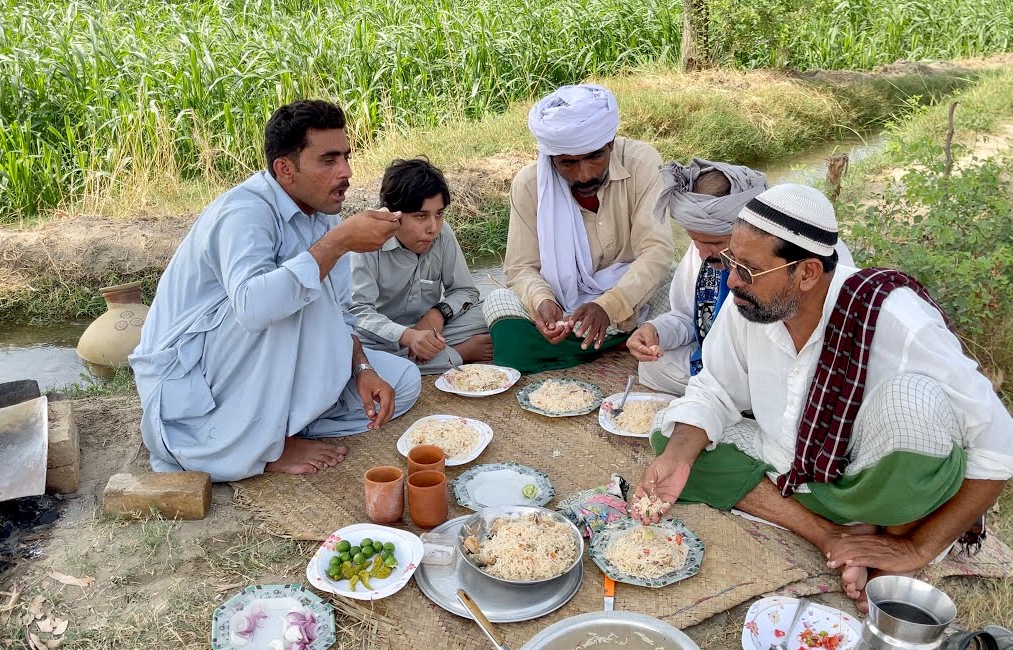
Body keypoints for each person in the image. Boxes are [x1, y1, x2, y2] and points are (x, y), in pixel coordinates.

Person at [632, 184, 1013, 611]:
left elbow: (1001, 446)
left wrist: (917, 549)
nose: (731, 281)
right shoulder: (751, 301)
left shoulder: (896, 317)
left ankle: (891, 539)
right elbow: (714, 388)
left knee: (914, 402)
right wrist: (677, 457)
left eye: (747, 269)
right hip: (790, 470)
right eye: (730, 260)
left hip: (867, 481)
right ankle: (833, 535)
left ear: (805, 274)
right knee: (673, 440)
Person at [129, 100, 421, 482]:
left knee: (402, 380)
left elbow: (342, 315)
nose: (346, 172)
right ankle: (265, 443)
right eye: (329, 160)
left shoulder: (321, 215)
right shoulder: (245, 213)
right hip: (197, 377)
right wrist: (337, 244)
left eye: (347, 157)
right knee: (296, 289)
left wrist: (363, 370)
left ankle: (279, 423)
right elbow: (253, 307)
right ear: (285, 169)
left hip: (255, 365)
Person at [483, 84, 674, 374]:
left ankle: (591, 343)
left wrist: (608, 307)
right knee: (499, 303)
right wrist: (543, 301)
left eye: (594, 157)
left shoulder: (643, 163)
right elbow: (520, 268)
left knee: (681, 285)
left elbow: (656, 252)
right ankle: (617, 341)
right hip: (564, 301)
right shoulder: (530, 185)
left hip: (630, 295)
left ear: (610, 142)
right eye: (568, 163)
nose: (584, 174)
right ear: (551, 158)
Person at [631, 160, 855, 395]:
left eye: (715, 243)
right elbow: (687, 317)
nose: (702, 254)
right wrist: (656, 331)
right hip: (725, 365)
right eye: (695, 242)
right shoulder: (703, 252)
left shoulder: (811, 263)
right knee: (655, 366)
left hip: (782, 373)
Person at [350, 158, 492, 374]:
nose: (433, 228)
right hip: (382, 337)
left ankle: (425, 355)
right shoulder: (365, 241)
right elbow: (358, 313)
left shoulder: (443, 235)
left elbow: (466, 291)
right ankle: (460, 354)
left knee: (493, 309)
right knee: (353, 347)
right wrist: (408, 336)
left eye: (439, 214)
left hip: (434, 329)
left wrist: (437, 314)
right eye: (421, 216)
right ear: (393, 216)